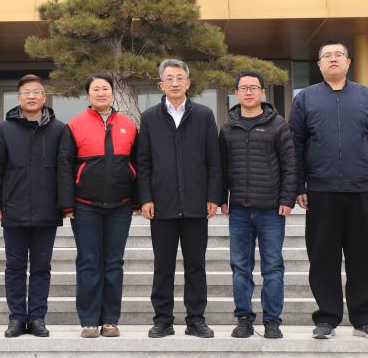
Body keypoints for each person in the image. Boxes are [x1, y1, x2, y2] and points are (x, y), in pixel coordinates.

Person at [289, 41, 368, 340]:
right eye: (327, 56)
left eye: (338, 55)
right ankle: (327, 318)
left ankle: (364, 318)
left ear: (348, 62)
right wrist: (298, 184)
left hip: (362, 189)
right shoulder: (305, 98)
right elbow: (295, 144)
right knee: (323, 256)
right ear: (319, 64)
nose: (333, 59)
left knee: (363, 256)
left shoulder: (367, 97)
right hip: (320, 189)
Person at [137, 59, 223, 339]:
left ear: (188, 82)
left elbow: (214, 160)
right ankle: (163, 320)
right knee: (162, 265)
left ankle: (196, 319)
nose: (175, 83)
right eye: (169, 78)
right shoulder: (150, 117)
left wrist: (213, 196)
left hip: (196, 204)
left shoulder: (204, 115)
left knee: (196, 265)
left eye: (179, 78)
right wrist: (145, 198)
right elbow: (143, 162)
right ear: (160, 84)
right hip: (161, 205)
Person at [58, 73, 138, 338]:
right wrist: (67, 204)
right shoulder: (75, 125)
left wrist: (137, 200)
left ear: (113, 93)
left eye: (105, 88)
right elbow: (64, 166)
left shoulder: (128, 125)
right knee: (89, 261)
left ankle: (110, 320)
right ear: (88, 94)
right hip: (85, 206)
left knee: (114, 262)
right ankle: (90, 321)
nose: (101, 93)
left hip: (120, 206)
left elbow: (139, 163)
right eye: (96, 89)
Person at [0, 74, 66, 338]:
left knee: (42, 267)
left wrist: (65, 204)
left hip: (47, 209)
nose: (31, 97)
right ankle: (17, 318)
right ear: (18, 97)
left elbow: (64, 170)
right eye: (26, 93)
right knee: (15, 266)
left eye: (36, 92)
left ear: (45, 97)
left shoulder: (59, 129)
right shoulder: (4, 129)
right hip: (14, 208)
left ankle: (38, 318)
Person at [219, 70, 297, 339]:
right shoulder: (228, 127)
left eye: (254, 87)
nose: (249, 92)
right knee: (240, 267)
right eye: (244, 88)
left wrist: (287, 199)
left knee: (272, 266)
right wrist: (222, 198)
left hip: (271, 210)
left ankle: (272, 320)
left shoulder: (278, 125)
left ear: (263, 92)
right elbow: (221, 167)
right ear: (236, 93)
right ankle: (244, 319)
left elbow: (290, 165)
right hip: (239, 210)